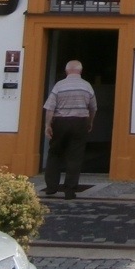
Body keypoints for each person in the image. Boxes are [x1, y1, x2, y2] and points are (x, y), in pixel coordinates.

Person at [43, 59, 96, 199]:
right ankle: (70, 191)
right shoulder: (87, 86)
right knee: (75, 156)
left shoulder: (59, 85)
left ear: (66, 71)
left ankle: (51, 187)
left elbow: (50, 108)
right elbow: (93, 107)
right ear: (81, 71)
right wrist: (90, 122)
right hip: (80, 122)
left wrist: (48, 125)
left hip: (60, 122)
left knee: (54, 153)